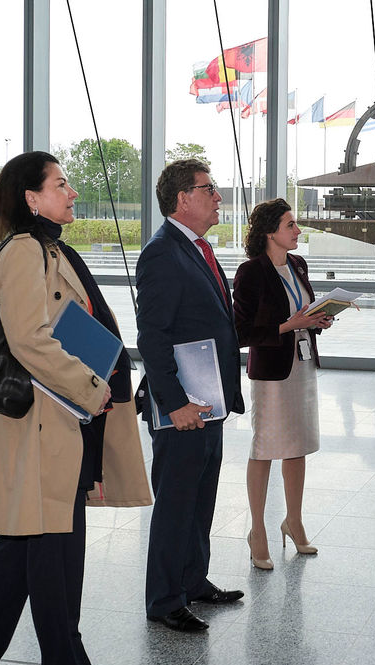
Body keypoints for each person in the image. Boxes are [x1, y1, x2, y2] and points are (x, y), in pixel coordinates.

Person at [0, 151, 151, 665]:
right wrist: (92, 386)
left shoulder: (51, 249)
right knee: (53, 555)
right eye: (61, 183)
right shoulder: (26, 253)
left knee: (21, 553)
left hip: (56, 422)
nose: (72, 192)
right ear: (31, 197)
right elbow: (29, 340)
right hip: (43, 423)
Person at [136, 159, 246, 632]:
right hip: (184, 403)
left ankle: (193, 580)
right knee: (177, 502)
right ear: (183, 198)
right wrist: (175, 402)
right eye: (210, 189)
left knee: (201, 497)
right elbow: (152, 336)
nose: (218, 197)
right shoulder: (162, 253)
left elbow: (217, 320)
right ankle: (164, 600)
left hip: (211, 399)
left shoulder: (199, 248)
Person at [233, 198, 332, 569]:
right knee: (265, 448)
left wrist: (318, 320)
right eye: (291, 225)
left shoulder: (298, 264)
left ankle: (293, 520)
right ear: (270, 231)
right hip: (272, 373)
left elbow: (303, 310)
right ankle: (257, 530)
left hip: (301, 366)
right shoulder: (251, 273)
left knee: (298, 445)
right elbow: (242, 332)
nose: (298, 231)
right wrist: (292, 325)